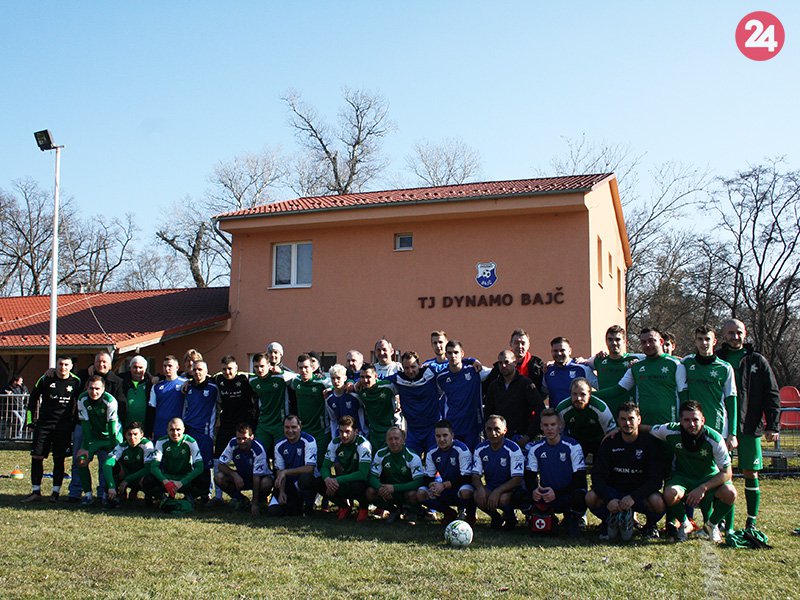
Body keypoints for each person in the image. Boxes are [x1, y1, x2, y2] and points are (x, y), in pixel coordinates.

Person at [716, 318, 781, 532]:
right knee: (722, 473)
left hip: (750, 426)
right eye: (730, 333)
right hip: (722, 426)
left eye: (739, 332)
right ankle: (723, 521)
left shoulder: (757, 360)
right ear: (723, 335)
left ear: (745, 334)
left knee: (750, 472)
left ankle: (751, 521)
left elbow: (772, 393)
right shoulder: (717, 358)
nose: (735, 337)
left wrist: (773, 425)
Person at [649, 401, 737, 543]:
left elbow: (727, 472)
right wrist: (621, 430)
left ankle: (711, 525)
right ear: (680, 421)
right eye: (687, 420)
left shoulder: (715, 439)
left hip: (708, 478)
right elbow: (648, 429)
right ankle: (685, 524)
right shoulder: (671, 431)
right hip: (683, 478)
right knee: (670, 493)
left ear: (703, 420)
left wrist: (703, 488)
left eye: (695, 420)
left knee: (730, 493)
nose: (691, 424)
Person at [586, 402, 665, 541]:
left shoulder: (649, 443)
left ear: (639, 420)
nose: (627, 423)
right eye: (623, 419)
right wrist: (609, 499)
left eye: (631, 419)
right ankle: (608, 520)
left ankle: (650, 525)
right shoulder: (610, 442)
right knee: (590, 497)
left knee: (657, 501)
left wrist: (633, 497)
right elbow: (597, 476)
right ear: (618, 421)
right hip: (614, 492)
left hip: (638, 493)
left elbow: (656, 480)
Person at [596, 328, 688, 426]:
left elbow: (684, 396)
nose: (647, 345)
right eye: (643, 342)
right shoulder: (636, 366)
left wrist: (683, 423)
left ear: (661, 341)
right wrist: (590, 395)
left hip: (669, 426)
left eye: (651, 341)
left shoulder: (676, 364)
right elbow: (618, 389)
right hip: (643, 425)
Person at [21, 355, 82, 503]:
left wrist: (74, 422)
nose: (63, 367)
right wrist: (30, 421)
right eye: (60, 364)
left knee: (59, 458)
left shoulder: (76, 382)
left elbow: (80, 402)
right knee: (37, 457)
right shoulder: (45, 378)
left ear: (71, 366)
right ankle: (36, 491)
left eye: (66, 365)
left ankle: (55, 493)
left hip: (63, 426)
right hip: (44, 425)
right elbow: (33, 399)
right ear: (56, 365)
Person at [67, 351, 125, 503]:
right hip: (93, 436)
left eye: (97, 389)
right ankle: (87, 495)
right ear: (87, 387)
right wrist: (86, 447)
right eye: (91, 388)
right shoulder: (82, 399)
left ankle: (105, 494)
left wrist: (113, 447)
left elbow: (112, 428)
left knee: (106, 464)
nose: (94, 392)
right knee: (80, 459)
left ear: (103, 389)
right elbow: (85, 425)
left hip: (110, 436)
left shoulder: (110, 401)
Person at [525, 409, 587, 537]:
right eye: (546, 425)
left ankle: (572, 519)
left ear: (560, 426)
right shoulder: (535, 449)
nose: (549, 428)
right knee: (520, 495)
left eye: (553, 424)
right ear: (541, 427)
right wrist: (535, 490)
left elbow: (580, 479)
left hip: (567, 493)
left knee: (580, 496)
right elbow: (530, 476)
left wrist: (557, 493)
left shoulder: (573, 446)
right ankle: (542, 517)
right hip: (546, 494)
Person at [212, 355, 257, 504]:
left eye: (230, 369)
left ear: (236, 368)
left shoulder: (245, 379)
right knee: (217, 457)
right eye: (224, 369)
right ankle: (218, 497)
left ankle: (259, 497)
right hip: (226, 424)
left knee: (251, 458)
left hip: (244, 426)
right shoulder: (218, 379)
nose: (227, 372)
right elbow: (202, 377)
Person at [682, 325, 737, 446]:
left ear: (714, 341)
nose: (704, 343)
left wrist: (732, 433)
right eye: (700, 339)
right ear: (695, 341)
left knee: (718, 458)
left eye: (707, 339)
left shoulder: (725, 367)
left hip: (717, 423)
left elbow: (731, 401)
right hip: (692, 424)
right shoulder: (686, 362)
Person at [472, 415, 525, 530]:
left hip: (512, 489)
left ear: (504, 431)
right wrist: (480, 488)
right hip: (492, 486)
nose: (493, 433)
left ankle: (511, 518)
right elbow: (475, 475)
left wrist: (497, 491)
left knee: (503, 499)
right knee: (477, 495)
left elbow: (517, 479)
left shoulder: (513, 449)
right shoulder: (480, 449)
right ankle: (496, 517)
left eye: (497, 429)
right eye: (489, 429)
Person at [436, 340, 491, 449]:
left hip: (473, 427)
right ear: (446, 355)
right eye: (450, 353)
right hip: (452, 426)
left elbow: (496, 371)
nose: (453, 356)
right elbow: (436, 396)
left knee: (471, 456)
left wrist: (472, 360)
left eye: (456, 352)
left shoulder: (475, 371)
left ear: (462, 354)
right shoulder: (441, 377)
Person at [418, 419, 475, 524]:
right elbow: (427, 477)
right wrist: (432, 485)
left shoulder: (462, 450)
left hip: (460, 486)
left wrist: (444, 485)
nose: (441, 439)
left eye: (445, 435)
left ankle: (470, 515)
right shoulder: (431, 452)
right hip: (445, 487)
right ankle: (448, 513)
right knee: (421, 493)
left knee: (465, 492)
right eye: (438, 436)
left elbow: (467, 478)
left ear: (452, 435)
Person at [484, 349, 545, 448]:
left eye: (507, 362)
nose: (503, 366)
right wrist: (490, 434)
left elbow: (540, 408)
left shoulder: (526, 384)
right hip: (499, 438)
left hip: (521, 438)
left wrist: (528, 436)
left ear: (515, 363)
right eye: (500, 363)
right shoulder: (494, 386)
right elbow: (488, 411)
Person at [386, 351, 441, 455]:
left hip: (432, 428)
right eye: (406, 368)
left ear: (419, 365)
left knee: (433, 461)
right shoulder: (399, 378)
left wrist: (471, 361)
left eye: (413, 367)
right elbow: (378, 382)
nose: (410, 371)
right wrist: (356, 383)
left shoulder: (431, 373)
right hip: (413, 431)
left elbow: (451, 366)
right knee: (410, 461)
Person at [366, 426, 424, 524]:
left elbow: (419, 481)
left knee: (413, 494)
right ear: (386, 441)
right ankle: (394, 511)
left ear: (403, 440)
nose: (393, 442)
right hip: (389, 492)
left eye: (396, 438)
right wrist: (380, 488)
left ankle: (412, 511)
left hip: (405, 491)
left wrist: (395, 487)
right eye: (390, 439)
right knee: (370, 492)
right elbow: (372, 476)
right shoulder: (381, 454)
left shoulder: (412, 457)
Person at [320, 415, 373, 521]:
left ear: (356, 432)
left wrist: (337, 480)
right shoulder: (335, 442)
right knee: (314, 482)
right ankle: (343, 506)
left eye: (347, 431)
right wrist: (327, 479)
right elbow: (325, 467)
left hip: (360, 481)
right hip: (344, 478)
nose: (344, 435)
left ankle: (363, 508)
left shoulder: (364, 445)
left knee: (357, 484)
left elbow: (363, 474)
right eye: (341, 431)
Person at [142, 417, 206, 504]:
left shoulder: (191, 441)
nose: (175, 433)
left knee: (204, 479)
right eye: (172, 430)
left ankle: (189, 497)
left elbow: (200, 467)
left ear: (183, 430)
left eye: (178, 429)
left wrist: (181, 483)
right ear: (167, 430)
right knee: (147, 480)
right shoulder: (161, 441)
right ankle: (162, 497)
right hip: (168, 479)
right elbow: (154, 467)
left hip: (185, 479)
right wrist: (165, 481)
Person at [215, 422, 274, 515]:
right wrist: (234, 475)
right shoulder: (233, 443)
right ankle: (241, 499)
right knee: (219, 477)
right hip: (242, 477)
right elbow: (220, 464)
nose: (241, 441)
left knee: (267, 483)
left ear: (252, 437)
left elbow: (257, 476)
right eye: (239, 438)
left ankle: (260, 500)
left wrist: (254, 503)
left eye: (244, 438)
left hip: (259, 478)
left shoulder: (258, 449)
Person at [182, 360, 220, 502]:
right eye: (195, 369)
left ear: (206, 371)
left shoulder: (213, 388)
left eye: (200, 369)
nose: (197, 372)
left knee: (205, 464)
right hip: (189, 430)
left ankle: (206, 493)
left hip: (205, 432)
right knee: (190, 463)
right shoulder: (187, 387)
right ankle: (190, 491)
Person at [554, 378, 616, 461]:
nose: (578, 398)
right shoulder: (562, 409)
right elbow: (557, 433)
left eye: (582, 394)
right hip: (576, 440)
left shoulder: (601, 409)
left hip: (599, 440)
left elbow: (611, 433)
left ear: (589, 394)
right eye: (574, 394)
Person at [269, 415, 318, 517]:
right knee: (274, 511)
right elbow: (280, 471)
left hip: (306, 480)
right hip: (289, 482)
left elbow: (309, 469)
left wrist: (286, 472)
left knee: (305, 479)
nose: (290, 430)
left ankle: (308, 506)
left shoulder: (309, 441)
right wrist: (281, 491)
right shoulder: (279, 445)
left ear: (300, 427)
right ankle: (295, 505)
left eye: (293, 427)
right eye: (287, 427)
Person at [587, 325, 643, 414]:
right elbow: (581, 365)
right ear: (606, 341)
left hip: (627, 415)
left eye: (617, 339)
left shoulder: (634, 360)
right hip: (605, 414)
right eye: (610, 339)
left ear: (625, 341)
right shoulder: (599, 360)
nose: (614, 343)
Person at [289, 354, 330, 467]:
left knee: (319, 464)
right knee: (304, 464)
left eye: (306, 367)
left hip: (321, 431)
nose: (303, 370)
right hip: (303, 430)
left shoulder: (322, 382)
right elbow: (283, 375)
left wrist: (330, 389)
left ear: (312, 368)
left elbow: (339, 384)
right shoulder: (295, 381)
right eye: (300, 368)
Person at [250, 351, 295, 456]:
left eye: (262, 366)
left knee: (280, 456)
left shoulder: (280, 377)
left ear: (269, 365)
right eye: (256, 367)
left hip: (280, 423)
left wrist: (281, 371)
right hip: (263, 423)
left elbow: (299, 378)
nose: (259, 370)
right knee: (258, 454)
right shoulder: (252, 380)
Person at [103, 421, 154, 507]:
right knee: (113, 467)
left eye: (135, 434)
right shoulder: (121, 446)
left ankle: (150, 496)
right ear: (125, 436)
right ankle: (114, 496)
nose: (132, 437)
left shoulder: (147, 445)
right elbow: (107, 464)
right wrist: (111, 486)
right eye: (129, 434)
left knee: (150, 478)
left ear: (141, 435)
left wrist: (127, 480)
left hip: (140, 477)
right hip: (125, 475)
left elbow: (148, 468)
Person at [542, 337, 599, 407]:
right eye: (555, 351)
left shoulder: (582, 369)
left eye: (562, 350)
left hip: (578, 412)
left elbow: (600, 387)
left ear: (569, 351)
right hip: (556, 413)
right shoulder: (547, 371)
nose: (559, 353)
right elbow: (543, 393)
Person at [356, 363, 398, 452]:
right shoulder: (360, 389)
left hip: (390, 430)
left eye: (368, 377)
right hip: (373, 433)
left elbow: (404, 389)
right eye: (362, 377)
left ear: (375, 376)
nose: (365, 380)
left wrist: (399, 400)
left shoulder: (387, 386)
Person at [147, 355, 188, 440]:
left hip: (177, 430)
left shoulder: (185, 384)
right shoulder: (156, 386)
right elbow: (152, 409)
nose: (167, 368)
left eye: (170, 366)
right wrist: (150, 430)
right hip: (160, 429)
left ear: (177, 367)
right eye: (164, 366)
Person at [325, 364, 366, 440]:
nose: (335, 381)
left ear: (345, 378)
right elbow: (333, 420)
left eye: (338, 378)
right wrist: (334, 437)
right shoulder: (329, 400)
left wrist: (364, 431)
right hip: (342, 436)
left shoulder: (354, 396)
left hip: (359, 434)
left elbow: (365, 410)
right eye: (333, 378)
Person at [119, 355, 154, 430]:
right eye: (135, 367)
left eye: (140, 367)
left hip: (145, 427)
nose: (137, 370)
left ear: (145, 369)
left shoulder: (150, 383)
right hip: (125, 427)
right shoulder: (121, 382)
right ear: (130, 368)